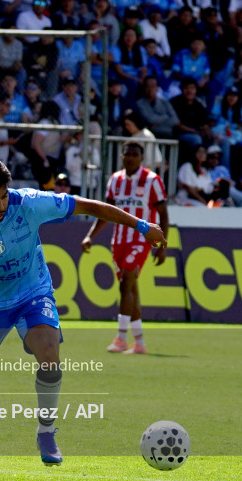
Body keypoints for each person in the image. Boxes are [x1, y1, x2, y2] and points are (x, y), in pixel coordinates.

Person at [0, 156, 166, 475]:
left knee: (49, 352)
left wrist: (143, 226)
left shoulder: (28, 203)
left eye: (4, 195)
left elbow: (89, 206)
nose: (1, 204)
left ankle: (46, 432)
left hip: (31, 292)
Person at [81, 143, 169, 355]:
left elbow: (163, 214)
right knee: (131, 289)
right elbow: (106, 212)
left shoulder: (152, 180)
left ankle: (120, 338)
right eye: (127, 154)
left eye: (135, 154)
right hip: (118, 241)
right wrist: (89, 235)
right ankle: (139, 342)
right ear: (121, 156)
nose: (130, 157)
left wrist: (163, 245)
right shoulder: (115, 179)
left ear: (141, 157)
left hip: (140, 240)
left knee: (126, 282)